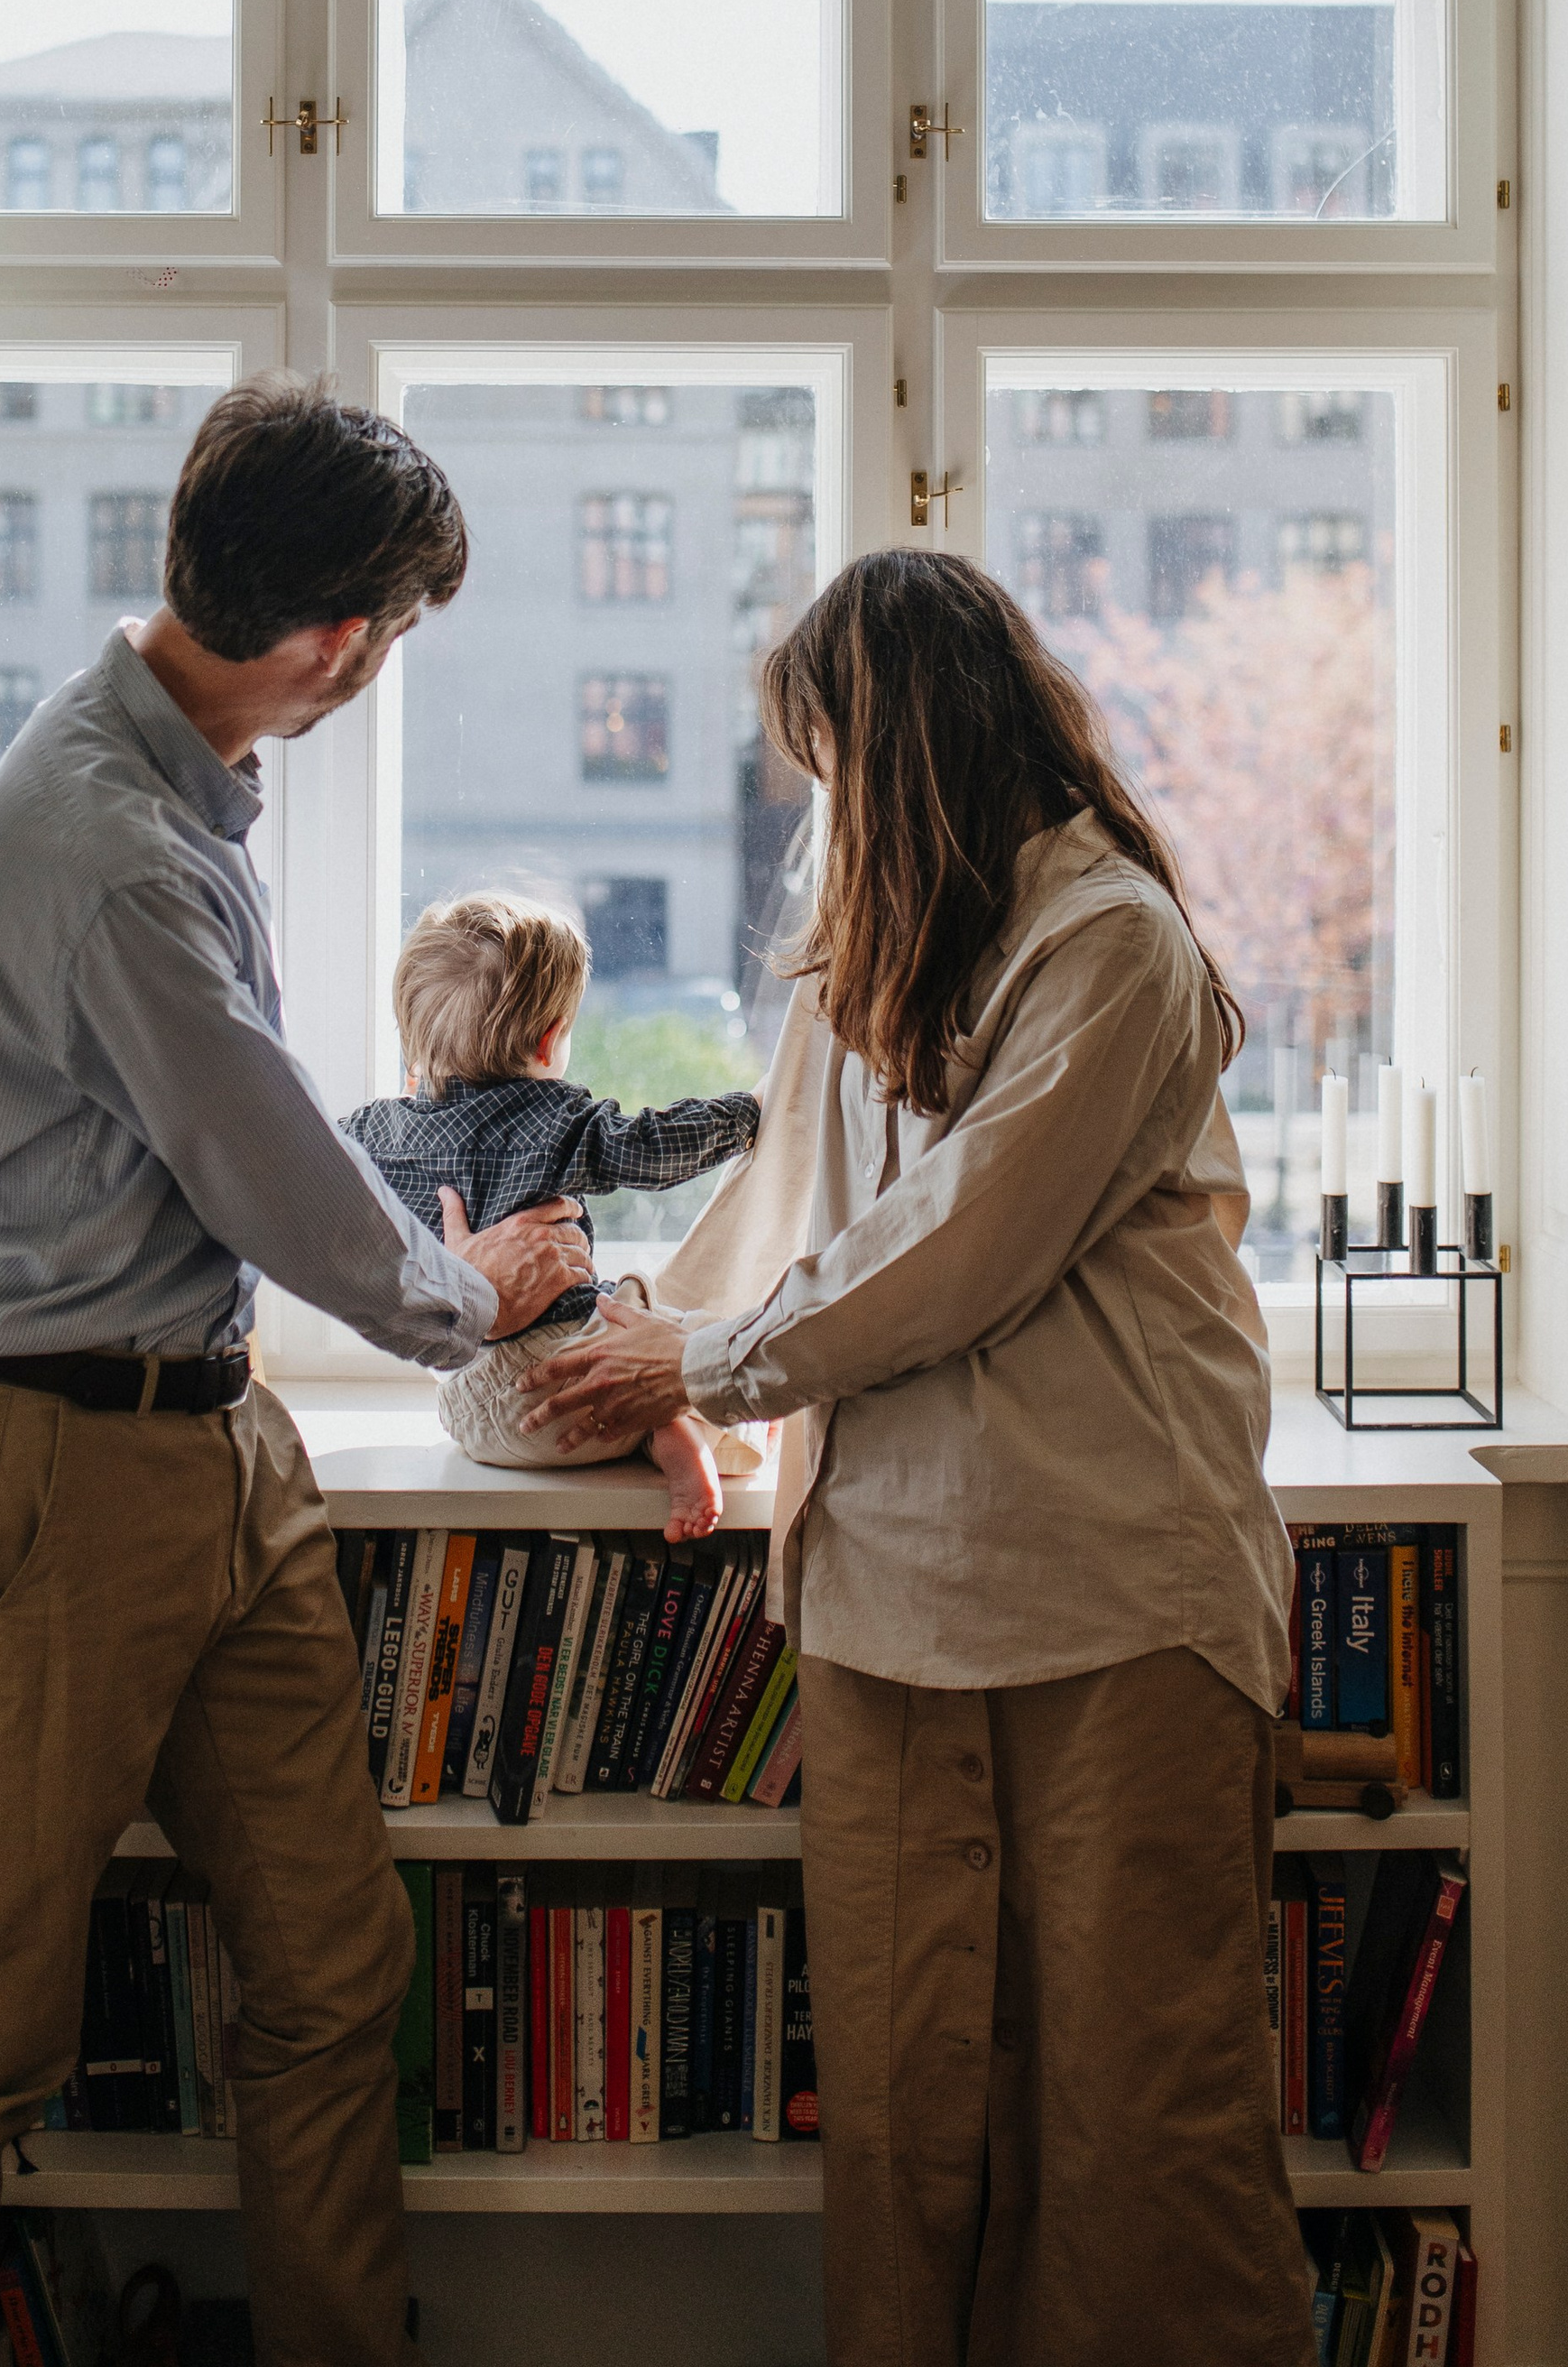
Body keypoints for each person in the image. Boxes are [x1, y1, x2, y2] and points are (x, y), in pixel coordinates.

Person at [0, 378, 587, 2367]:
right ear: (339, 639)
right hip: (52, 1469)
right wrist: (477, 1296)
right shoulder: (118, 850)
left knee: (337, 1971)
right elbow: (277, 1176)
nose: (379, 666)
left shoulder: (157, 789)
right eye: (394, 633)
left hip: (206, 1442)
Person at [521, 550, 1318, 2367]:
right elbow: (773, 1230)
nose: (812, 815)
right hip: (887, 1602)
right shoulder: (856, 966)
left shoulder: (1106, 939)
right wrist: (620, 1357)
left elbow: (958, 1247)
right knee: (904, 2131)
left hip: (1114, 1596)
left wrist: (698, 1351)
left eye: (826, 767)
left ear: (908, 752)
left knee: (1137, 2133)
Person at [339, 889, 761, 1539]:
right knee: (662, 1317)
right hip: (579, 1386)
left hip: (471, 1410)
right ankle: (672, 1434)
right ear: (547, 1042)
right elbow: (651, 1148)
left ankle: (667, 1432)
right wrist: (746, 1115)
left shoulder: (375, 1131)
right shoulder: (554, 1119)